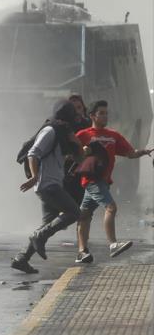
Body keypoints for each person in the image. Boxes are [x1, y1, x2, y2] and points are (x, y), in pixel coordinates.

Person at [74, 100, 153, 263]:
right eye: (101, 113)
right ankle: (113, 244)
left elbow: (130, 153)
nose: (105, 116)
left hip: (103, 181)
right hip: (92, 179)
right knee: (111, 207)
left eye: (106, 113)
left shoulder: (113, 135)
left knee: (84, 215)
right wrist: (83, 151)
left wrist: (143, 152)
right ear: (92, 116)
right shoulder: (84, 134)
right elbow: (70, 153)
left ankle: (82, 252)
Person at [11, 100, 83, 274]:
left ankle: (22, 258)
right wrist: (35, 177)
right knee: (74, 213)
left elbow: (80, 159)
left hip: (54, 183)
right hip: (47, 184)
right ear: (65, 118)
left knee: (47, 224)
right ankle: (38, 237)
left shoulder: (63, 135)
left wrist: (77, 143)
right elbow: (33, 153)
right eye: (71, 117)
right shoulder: (50, 130)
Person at [63, 93, 91, 204]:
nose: (76, 111)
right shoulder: (63, 126)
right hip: (67, 169)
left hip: (85, 169)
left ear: (83, 108)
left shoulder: (88, 123)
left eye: (79, 108)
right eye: (73, 109)